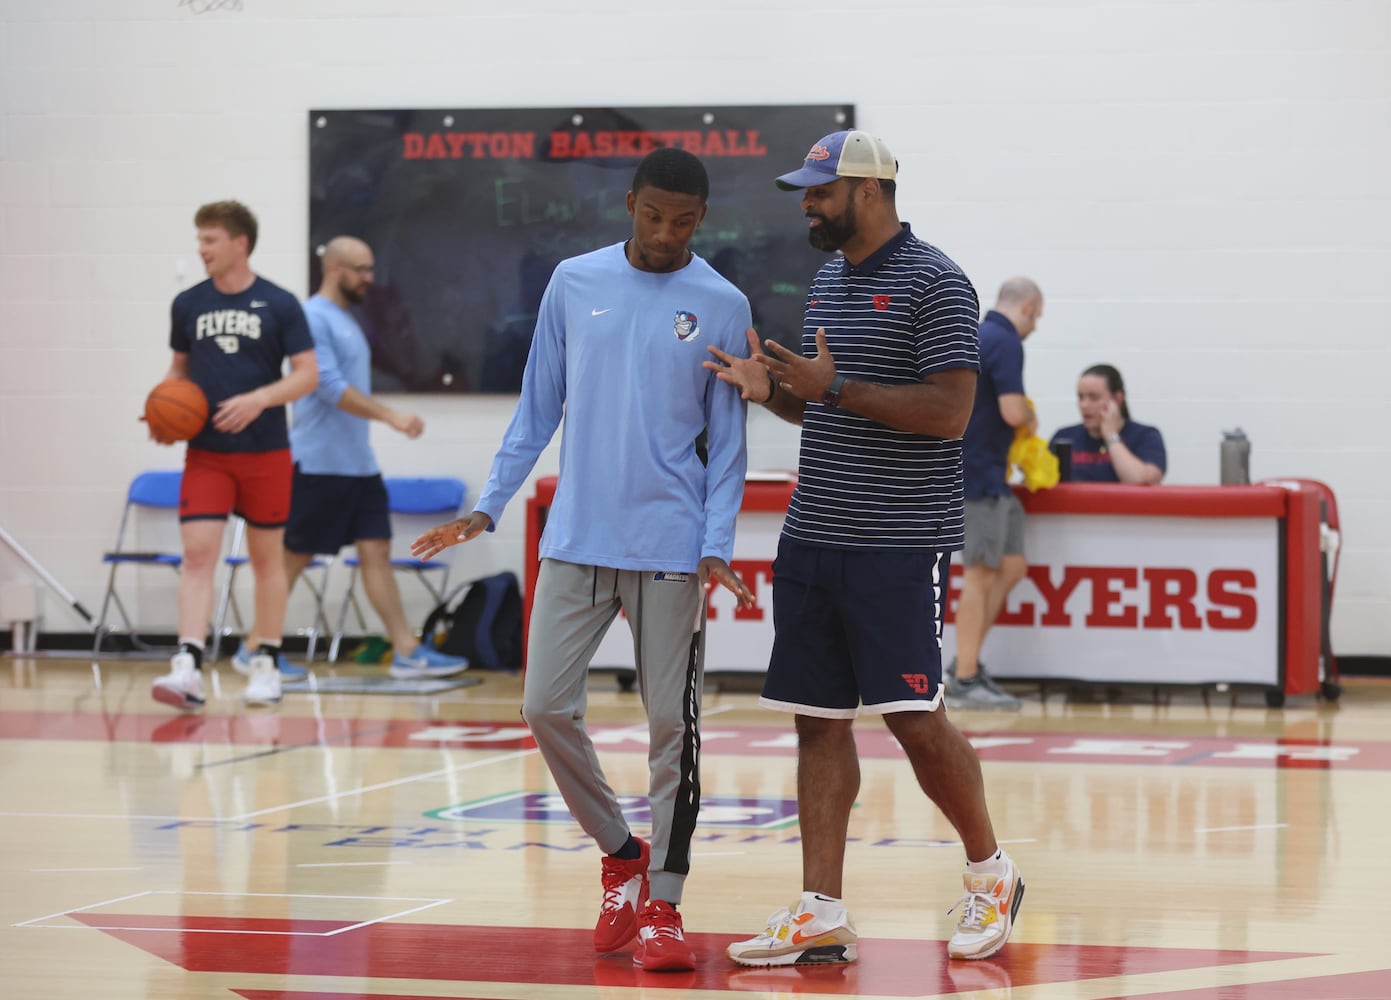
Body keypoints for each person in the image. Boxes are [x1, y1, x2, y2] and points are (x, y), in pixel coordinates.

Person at [408, 148, 755, 974]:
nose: (666, 233)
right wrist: (488, 504)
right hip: (575, 538)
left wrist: (715, 545)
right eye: (653, 216)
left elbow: (730, 446)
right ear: (630, 204)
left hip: (670, 545)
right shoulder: (573, 281)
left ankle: (664, 903)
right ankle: (620, 851)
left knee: (673, 729)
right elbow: (536, 408)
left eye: (683, 222)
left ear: (700, 220)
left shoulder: (724, 302)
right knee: (542, 707)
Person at [704, 129, 1024, 967]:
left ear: (869, 192)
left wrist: (833, 385)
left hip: (897, 540)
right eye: (805, 191)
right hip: (814, 533)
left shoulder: (938, 283)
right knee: (817, 723)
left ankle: (991, 872)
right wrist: (770, 392)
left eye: (818, 190)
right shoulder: (825, 280)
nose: (806, 203)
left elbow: (950, 413)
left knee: (915, 720)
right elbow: (824, 408)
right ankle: (820, 911)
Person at [231, 236, 469, 680]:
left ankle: (407, 651)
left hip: (358, 465)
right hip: (320, 465)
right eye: (361, 269)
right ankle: (252, 649)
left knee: (376, 550)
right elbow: (327, 386)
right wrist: (390, 415)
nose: (369, 278)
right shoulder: (313, 318)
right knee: (294, 558)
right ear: (336, 268)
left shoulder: (348, 320)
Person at [149, 200, 318, 710]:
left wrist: (259, 398)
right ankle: (187, 665)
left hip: (265, 451)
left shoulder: (281, 303)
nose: (201, 249)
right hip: (206, 453)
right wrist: (161, 411)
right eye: (199, 240)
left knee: (266, 561)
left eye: (210, 240)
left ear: (239, 243)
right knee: (199, 553)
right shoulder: (187, 304)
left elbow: (307, 374)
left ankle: (264, 662)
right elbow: (178, 372)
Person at [949, 277, 1043, 712]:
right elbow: (1011, 409)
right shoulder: (1005, 340)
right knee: (981, 574)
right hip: (978, 475)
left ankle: (963, 665)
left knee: (1011, 565)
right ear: (1025, 306)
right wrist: (1029, 414)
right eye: (1036, 317)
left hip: (988, 474)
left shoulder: (978, 333)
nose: (1035, 326)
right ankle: (965, 678)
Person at [1050, 364, 1166, 484]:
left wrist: (1111, 435)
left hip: (1123, 503)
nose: (1084, 405)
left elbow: (1141, 481)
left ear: (1117, 399)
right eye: (1081, 397)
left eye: (1094, 397)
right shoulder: (1064, 436)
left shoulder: (1145, 436)